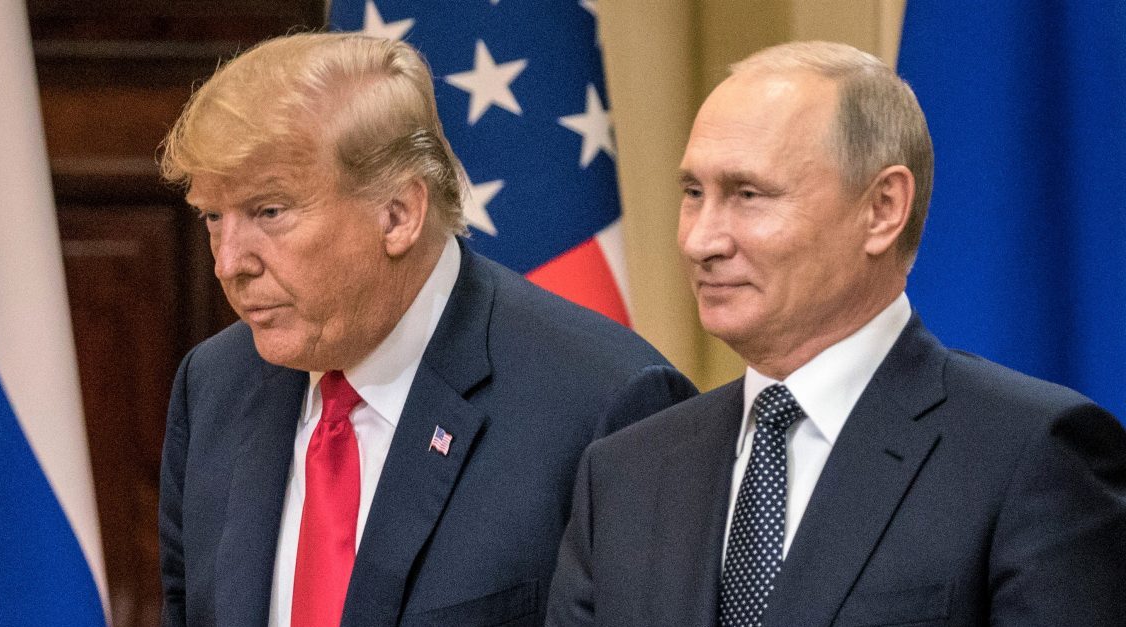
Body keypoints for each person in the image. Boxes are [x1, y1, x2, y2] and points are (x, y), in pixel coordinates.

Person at [546, 40, 1126, 627]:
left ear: (881, 208)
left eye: (749, 194)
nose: (702, 240)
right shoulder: (624, 474)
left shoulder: (1029, 455)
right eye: (694, 194)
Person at [157, 32, 697, 627]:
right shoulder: (215, 384)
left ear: (398, 215)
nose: (230, 262)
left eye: (269, 212)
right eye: (212, 216)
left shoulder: (607, 406)